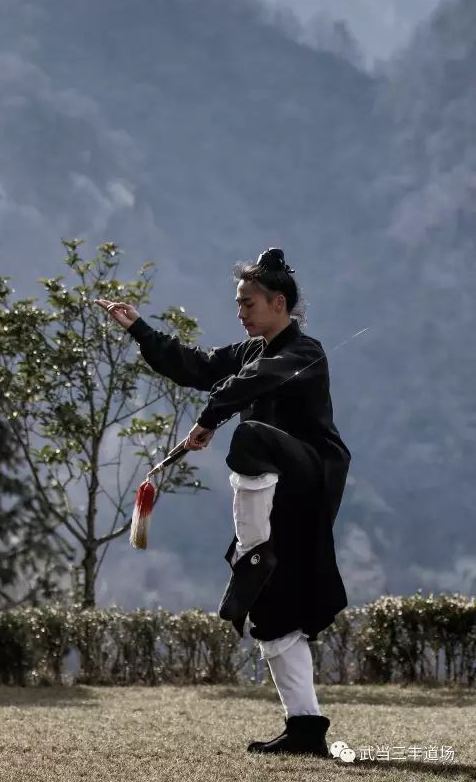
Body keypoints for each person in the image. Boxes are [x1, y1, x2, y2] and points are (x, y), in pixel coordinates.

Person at [94, 247, 351, 758]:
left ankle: (253, 548)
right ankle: (305, 728)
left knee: (250, 436)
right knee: (273, 611)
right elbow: (195, 365)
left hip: (309, 478)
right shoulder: (247, 352)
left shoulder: (304, 352)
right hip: (273, 496)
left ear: (279, 302)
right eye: (238, 303)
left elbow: (254, 383)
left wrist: (209, 420)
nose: (240, 312)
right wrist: (139, 328)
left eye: (248, 303)